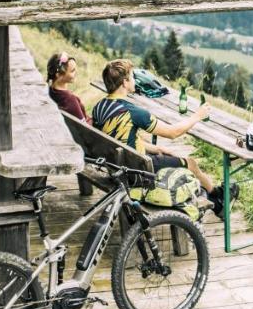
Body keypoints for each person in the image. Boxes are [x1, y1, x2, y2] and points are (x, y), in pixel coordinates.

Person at [92, 58, 237, 218]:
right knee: (191, 163)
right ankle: (218, 201)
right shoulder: (133, 112)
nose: (135, 80)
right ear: (125, 83)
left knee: (167, 155)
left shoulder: (99, 107)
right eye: (132, 77)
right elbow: (173, 133)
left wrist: (158, 149)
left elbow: (122, 138)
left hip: (116, 166)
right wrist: (197, 116)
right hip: (137, 172)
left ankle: (215, 196)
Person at [46, 52, 88, 123]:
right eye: (72, 71)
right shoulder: (70, 101)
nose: (76, 72)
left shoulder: (47, 91)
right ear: (58, 75)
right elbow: (85, 128)